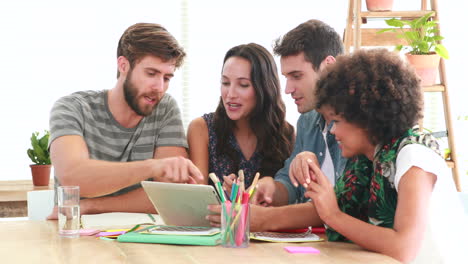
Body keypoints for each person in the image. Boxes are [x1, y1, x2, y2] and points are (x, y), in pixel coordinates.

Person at [292, 48, 467, 263]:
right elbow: (324, 210)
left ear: (365, 116)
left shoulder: (413, 157)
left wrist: (333, 215)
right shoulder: (366, 162)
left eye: (336, 120)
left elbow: (403, 248)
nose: (333, 131)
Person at [47, 23, 203, 217]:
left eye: (167, 78)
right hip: (78, 233)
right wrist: (153, 167)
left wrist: (92, 206)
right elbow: (73, 178)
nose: (159, 87)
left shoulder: (165, 108)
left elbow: (170, 195)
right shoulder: (73, 108)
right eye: (151, 73)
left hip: (141, 236)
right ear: (123, 65)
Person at [207, 20, 347, 231]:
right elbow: (291, 184)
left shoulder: (358, 124)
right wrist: (271, 188)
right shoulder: (307, 121)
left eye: (297, 76)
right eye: (286, 77)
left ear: (329, 66)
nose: (288, 89)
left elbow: (343, 205)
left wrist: (265, 218)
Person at [187, 43, 294, 188]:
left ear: (264, 88)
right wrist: (224, 197)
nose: (230, 94)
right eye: (225, 83)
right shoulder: (201, 128)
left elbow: (288, 200)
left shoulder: (286, 134)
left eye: (243, 85)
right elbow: (196, 196)